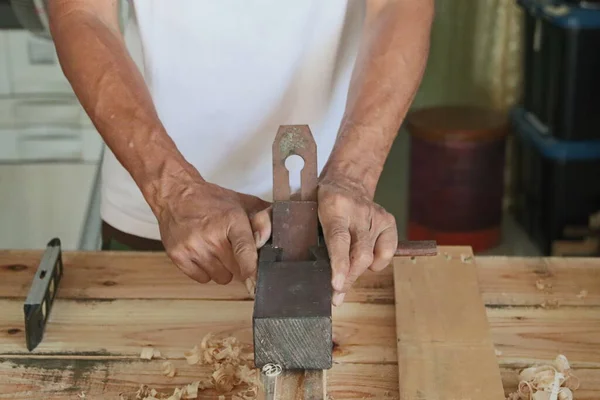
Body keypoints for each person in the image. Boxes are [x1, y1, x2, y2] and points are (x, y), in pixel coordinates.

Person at [48, 0, 434, 306]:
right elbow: (82, 13)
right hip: (156, 205)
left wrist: (352, 176)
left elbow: (399, 6)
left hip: (329, 213)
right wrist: (171, 191)